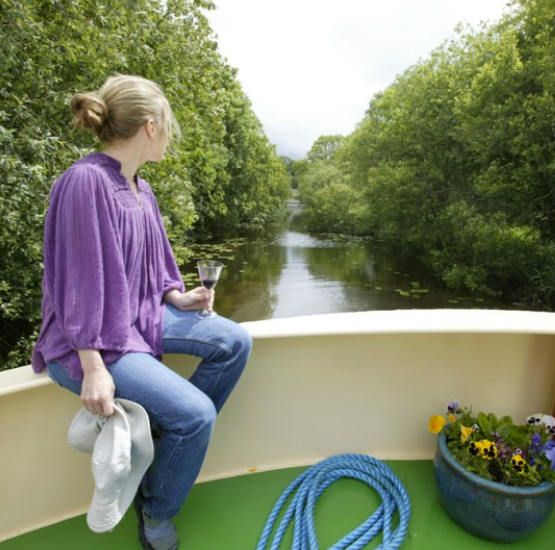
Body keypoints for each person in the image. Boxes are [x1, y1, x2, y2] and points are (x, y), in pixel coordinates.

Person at [31, 74, 253, 550]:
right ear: (150, 127)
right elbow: (77, 282)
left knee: (234, 342)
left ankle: (164, 443)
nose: (170, 135)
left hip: (137, 318)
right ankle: (156, 510)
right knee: (194, 416)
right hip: (87, 340)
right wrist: (92, 368)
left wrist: (178, 298)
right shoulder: (84, 182)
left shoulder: (140, 188)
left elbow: (153, 266)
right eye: (168, 125)